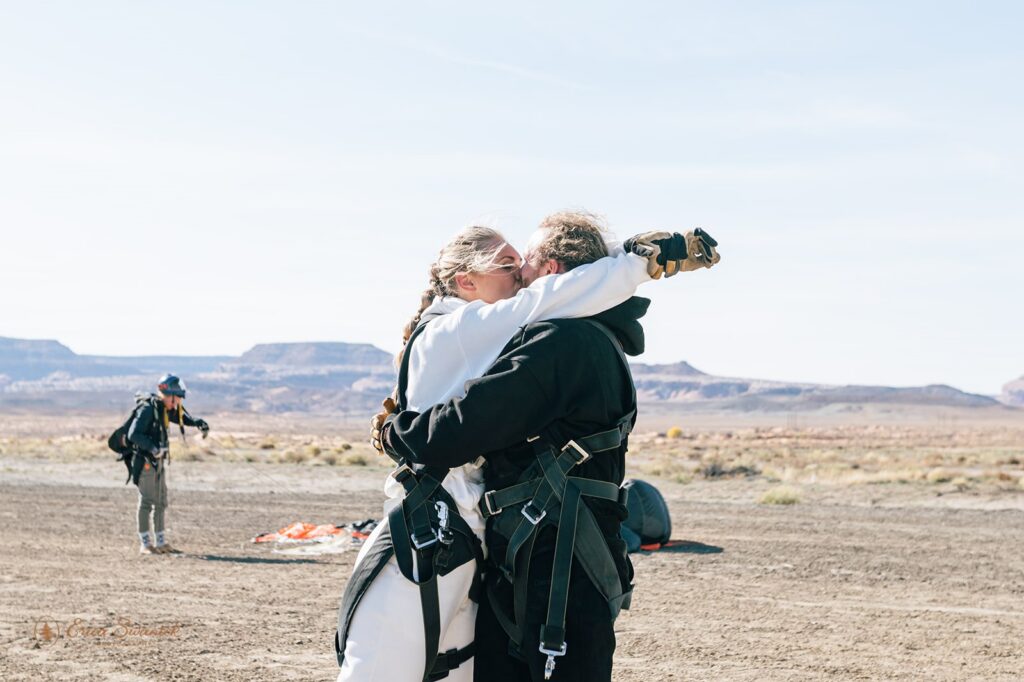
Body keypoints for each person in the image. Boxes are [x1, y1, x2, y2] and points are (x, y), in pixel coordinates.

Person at [336, 213, 718, 681]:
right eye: (508, 267)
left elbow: (461, 425)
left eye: (524, 266)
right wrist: (637, 260)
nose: (521, 280)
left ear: (554, 270)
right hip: (479, 535)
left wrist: (397, 431)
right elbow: (546, 302)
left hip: (521, 551)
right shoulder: (468, 327)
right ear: (466, 281)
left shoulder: (559, 340)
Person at [126, 374, 209, 555]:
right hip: (146, 462)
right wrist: (153, 449)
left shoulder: (163, 409)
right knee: (147, 502)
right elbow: (133, 434)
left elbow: (181, 418)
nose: (178, 403)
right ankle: (146, 544)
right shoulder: (148, 409)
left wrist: (197, 422)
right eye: (177, 398)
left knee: (161, 501)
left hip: (159, 462)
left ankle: (161, 542)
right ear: (168, 394)